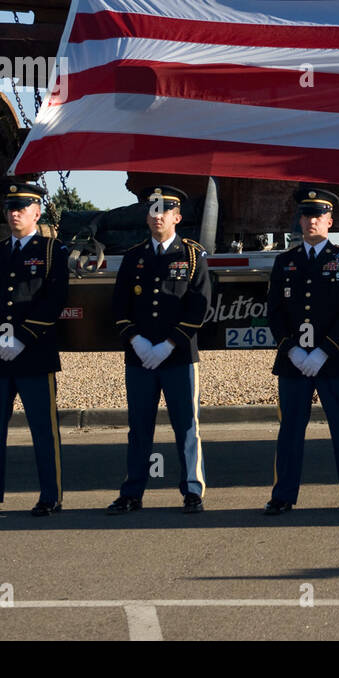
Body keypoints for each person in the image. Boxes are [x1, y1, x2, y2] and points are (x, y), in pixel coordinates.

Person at [0, 180, 69, 517]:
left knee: (43, 430)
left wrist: (21, 338)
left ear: (37, 212)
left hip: (34, 354)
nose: (14, 214)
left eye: (21, 208)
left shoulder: (52, 251)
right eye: (10, 208)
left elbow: (54, 301)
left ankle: (50, 496)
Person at [263, 187, 339, 515]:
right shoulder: (285, 262)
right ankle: (283, 496)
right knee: (290, 430)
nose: (312, 221)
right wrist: (291, 350)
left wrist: (324, 350)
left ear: (330, 222)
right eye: (307, 215)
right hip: (293, 361)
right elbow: (274, 311)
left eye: (319, 216)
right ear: (300, 220)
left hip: (333, 360)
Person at [106, 186, 211, 515]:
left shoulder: (192, 256)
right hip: (139, 357)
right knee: (139, 427)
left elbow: (200, 307)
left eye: (165, 210)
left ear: (177, 217)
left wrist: (168, 345)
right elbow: (119, 306)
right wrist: (136, 341)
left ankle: (193, 490)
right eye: (153, 210)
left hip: (177, 357)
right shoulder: (134, 257)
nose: (157, 216)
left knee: (187, 426)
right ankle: (132, 492)